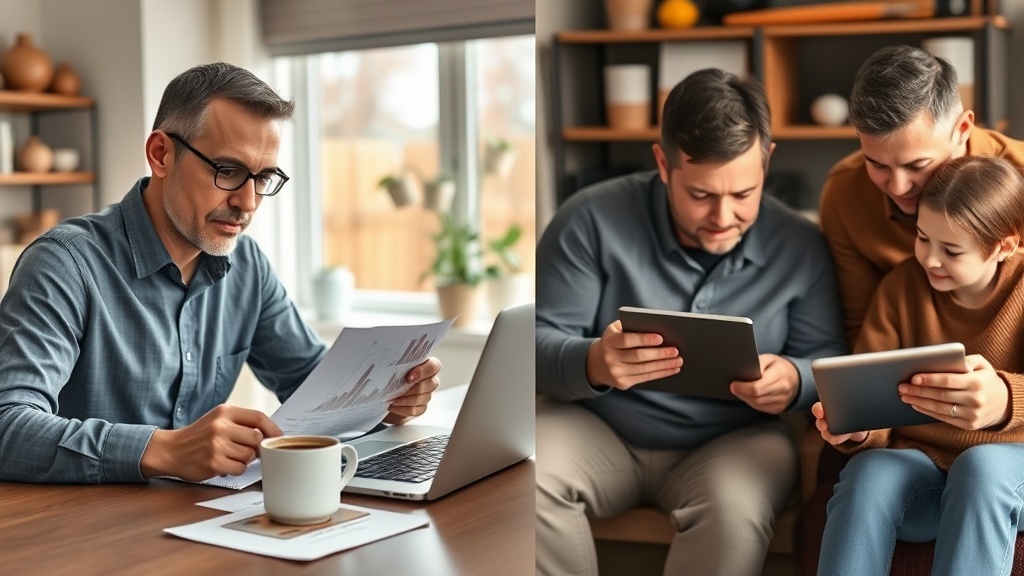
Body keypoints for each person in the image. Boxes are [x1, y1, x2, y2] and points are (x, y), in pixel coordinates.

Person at [0, 63, 441, 484]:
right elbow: (7, 425)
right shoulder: (63, 264)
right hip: (84, 536)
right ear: (160, 154)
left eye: (263, 178)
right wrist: (164, 450)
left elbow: (314, 388)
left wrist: (385, 397)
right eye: (228, 171)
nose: (248, 202)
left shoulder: (247, 267)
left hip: (201, 523)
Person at [535, 68, 847, 576]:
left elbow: (828, 358)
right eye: (701, 195)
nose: (723, 216)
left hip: (737, 439)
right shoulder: (589, 220)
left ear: (767, 159)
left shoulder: (801, 245)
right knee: (528, 475)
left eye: (743, 194)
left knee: (735, 512)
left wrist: (794, 379)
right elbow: (535, 346)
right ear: (663, 163)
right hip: (600, 427)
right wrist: (594, 360)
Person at [812, 155, 1024, 575]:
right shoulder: (901, 288)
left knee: (980, 467)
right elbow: (869, 398)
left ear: (1005, 246)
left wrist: (1006, 400)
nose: (930, 259)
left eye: (951, 249)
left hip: (1006, 471)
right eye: (923, 238)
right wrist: (857, 429)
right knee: (868, 474)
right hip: (922, 470)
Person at [817, 44, 1024, 346]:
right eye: (876, 164)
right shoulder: (845, 194)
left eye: (917, 165)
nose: (898, 187)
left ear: (963, 129)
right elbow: (859, 328)